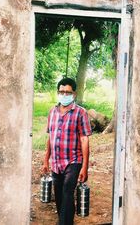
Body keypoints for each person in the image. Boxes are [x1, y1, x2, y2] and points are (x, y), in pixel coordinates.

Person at [41, 77, 92, 225]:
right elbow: (50, 137)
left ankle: (64, 223)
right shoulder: (52, 112)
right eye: (61, 92)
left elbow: (84, 139)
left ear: (74, 94)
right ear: (58, 92)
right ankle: (63, 220)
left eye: (67, 92)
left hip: (73, 161)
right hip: (56, 161)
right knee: (58, 196)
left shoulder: (80, 113)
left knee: (67, 192)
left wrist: (84, 166)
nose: (64, 95)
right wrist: (46, 160)